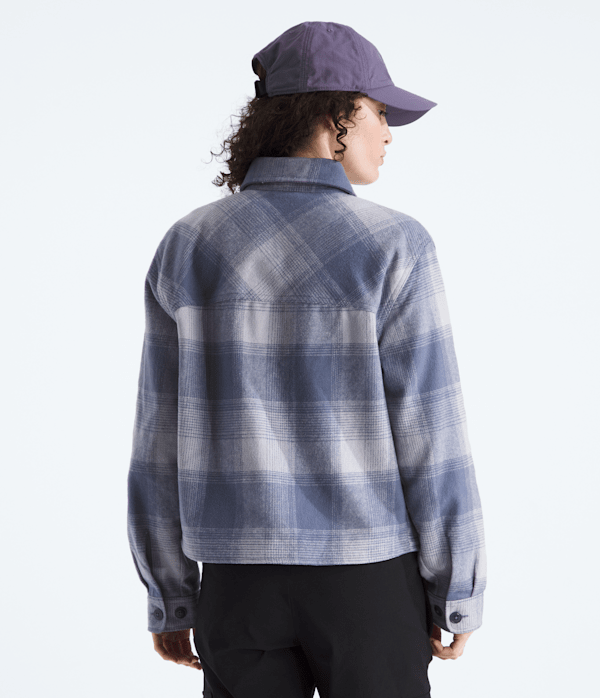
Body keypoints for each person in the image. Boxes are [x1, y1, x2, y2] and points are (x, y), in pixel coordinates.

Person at [127, 21, 486, 698]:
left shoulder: (189, 243)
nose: (389, 134)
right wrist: (457, 586)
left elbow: (158, 440)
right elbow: (431, 434)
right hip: (368, 581)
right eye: (379, 112)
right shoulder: (394, 246)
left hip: (235, 584)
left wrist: (170, 594)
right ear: (333, 117)